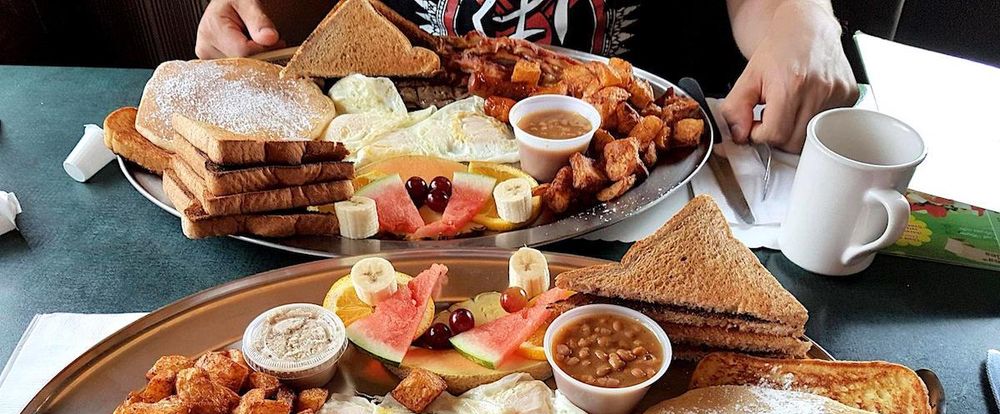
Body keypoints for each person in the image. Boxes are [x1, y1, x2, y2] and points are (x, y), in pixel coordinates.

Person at [195, 0, 857, 153]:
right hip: (388, 161)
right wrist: (254, 18)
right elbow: (282, 19)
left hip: (643, 217)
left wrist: (802, 18)